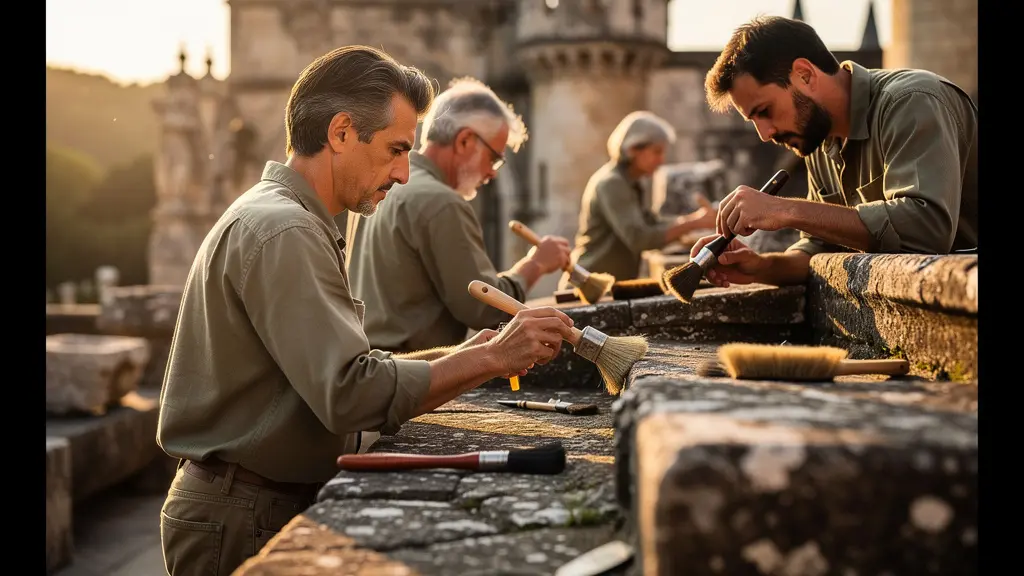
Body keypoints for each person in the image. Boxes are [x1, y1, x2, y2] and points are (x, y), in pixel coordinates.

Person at [156, 46, 576, 576]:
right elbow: (349, 392)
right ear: (340, 133)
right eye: (396, 149)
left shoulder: (286, 216)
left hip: (249, 504)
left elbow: (341, 375)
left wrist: (472, 352)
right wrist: (491, 360)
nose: (404, 173)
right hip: (244, 514)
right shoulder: (286, 230)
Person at [691, 15, 978, 289]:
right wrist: (761, 267)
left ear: (805, 75)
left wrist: (786, 209)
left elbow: (926, 231)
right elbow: (820, 250)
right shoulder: (816, 136)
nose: (765, 135)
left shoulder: (911, 101)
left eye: (765, 111)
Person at [346, 77, 571, 352]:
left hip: (374, 365)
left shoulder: (383, 186)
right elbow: (483, 310)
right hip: (412, 375)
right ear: (464, 141)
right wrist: (536, 264)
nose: (491, 173)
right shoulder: (442, 202)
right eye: (494, 159)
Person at [564, 111, 718, 287]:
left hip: (604, 285)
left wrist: (693, 220)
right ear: (633, 149)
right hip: (587, 285)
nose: (661, 160)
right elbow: (639, 238)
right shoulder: (612, 183)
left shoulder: (630, 182)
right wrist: (693, 223)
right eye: (656, 152)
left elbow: (652, 223)